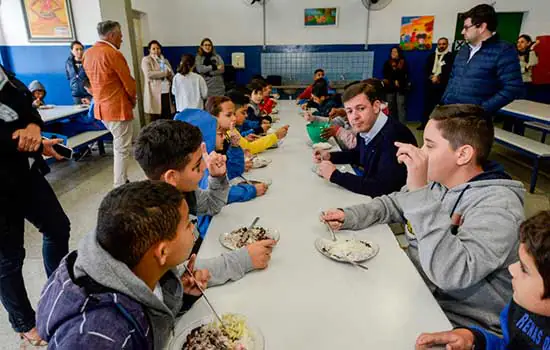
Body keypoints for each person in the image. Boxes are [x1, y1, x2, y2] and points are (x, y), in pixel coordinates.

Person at [321, 104, 525, 334]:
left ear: (463, 154)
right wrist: (351, 215)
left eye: (429, 145)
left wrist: (419, 192)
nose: (421, 152)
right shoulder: (441, 181)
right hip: (420, 291)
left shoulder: (498, 205)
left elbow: (452, 273)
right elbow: (395, 203)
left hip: (462, 323)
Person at [36, 181, 209, 349]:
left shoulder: (133, 263)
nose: (193, 228)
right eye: (188, 224)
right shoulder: (101, 337)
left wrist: (181, 299)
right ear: (163, 252)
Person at [134, 120, 275, 285]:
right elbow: (175, 275)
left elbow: (211, 206)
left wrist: (217, 178)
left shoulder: (181, 191)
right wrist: (243, 259)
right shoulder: (151, 218)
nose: (203, 167)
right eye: (196, 166)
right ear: (171, 177)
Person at [0, 64, 70, 346]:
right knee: (8, 257)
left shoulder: (5, 74)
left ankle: (58, 290)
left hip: (25, 174)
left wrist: (33, 130)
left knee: (57, 227)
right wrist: (19, 140)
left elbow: (26, 108)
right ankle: (24, 321)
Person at [415, 211, 550, 350]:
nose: (511, 269)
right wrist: (473, 339)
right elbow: (508, 345)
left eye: (524, 269)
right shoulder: (522, 304)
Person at [313, 80, 417, 197]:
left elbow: (382, 188)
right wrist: (331, 156)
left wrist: (335, 176)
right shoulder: (367, 126)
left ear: (376, 106)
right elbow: (359, 154)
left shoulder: (394, 137)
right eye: (350, 111)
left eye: (361, 108)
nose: (355, 117)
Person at [441, 4, 524, 115]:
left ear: (482, 27)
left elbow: (512, 88)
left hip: (475, 120)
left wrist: (482, 109)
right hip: (451, 112)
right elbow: (453, 78)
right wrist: (444, 101)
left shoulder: (504, 51)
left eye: (466, 28)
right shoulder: (464, 50)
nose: (462, 32)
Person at [83, 20, 137, 187]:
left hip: (101, 108)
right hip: (117, 108)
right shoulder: (113, 54)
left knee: (118, 145)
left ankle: (121, 180)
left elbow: (86, 82)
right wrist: (133, 99)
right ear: (112, 35)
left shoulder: (88, 53)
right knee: (122, 149)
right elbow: (128, 82)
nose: (121, 39)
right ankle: (119, 184)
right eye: (120, 35)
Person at [226, 90, 290, 154]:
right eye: (243, 112)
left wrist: (244, 138)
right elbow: (250, 149)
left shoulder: (230, 128)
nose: (246, 115)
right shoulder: (228, 130)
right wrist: (276, 136)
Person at [419, 37, 454, 130]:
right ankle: (424, 124)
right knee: (427, 106)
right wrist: (431, 77)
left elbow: (450, 71)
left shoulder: (450, 57)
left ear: (447, 45)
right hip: (430, 85)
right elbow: (426, 70)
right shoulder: (431, 56)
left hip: (443, 86)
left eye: (444, 44)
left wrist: (439, 77)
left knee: (443, 108)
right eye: (440, 44)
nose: (441, 46)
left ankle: (442, 127)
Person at [141, 40, 175, 122]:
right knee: (155, 119)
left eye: (158, 48)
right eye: (153, 49)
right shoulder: (146, 60)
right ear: (149, 50)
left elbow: (171, 74)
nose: (156, 50)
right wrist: (164, 73)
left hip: (166, 92)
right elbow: (149, 74)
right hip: (154, 94)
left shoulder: (165, 60)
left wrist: (169, 75)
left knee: (167, 118)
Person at [383, 46, 409, 124]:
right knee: (390, 107)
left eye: (395, 52)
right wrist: (394, 80)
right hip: (390, 88)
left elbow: (404, 74)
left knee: (401, 106)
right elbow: (386, 75)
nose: (393, 53)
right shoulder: (387, 63)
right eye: (392, 52)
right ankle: (391, 123)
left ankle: (402, 125)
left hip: (401, 88)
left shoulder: (403, 62)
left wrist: (398, 80)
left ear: (399, 53)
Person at [65, 40, 92, 105]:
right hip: (76, 95)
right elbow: (69, 77)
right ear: (72, 51)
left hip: (88, 94)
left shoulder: (88, 62)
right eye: (76, 49)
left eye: (81, 49)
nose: (79, 51)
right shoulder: (68, 63)